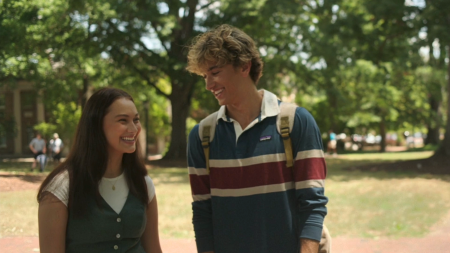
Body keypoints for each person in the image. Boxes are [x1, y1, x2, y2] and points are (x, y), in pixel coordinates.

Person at [186, 24, 328, 253]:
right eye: (204, 76)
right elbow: (203, 212)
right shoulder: (202, 136)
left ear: (244, 66)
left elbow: (312, 204)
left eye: (214, 72)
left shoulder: (295, 122)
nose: (208, 85)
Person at [37, 88, 162, 253]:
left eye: (136, 120)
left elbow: (154, 249)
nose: (133, 129)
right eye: (123, 120)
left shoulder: (143, 183)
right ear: (96, 125)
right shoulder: (61, 187)